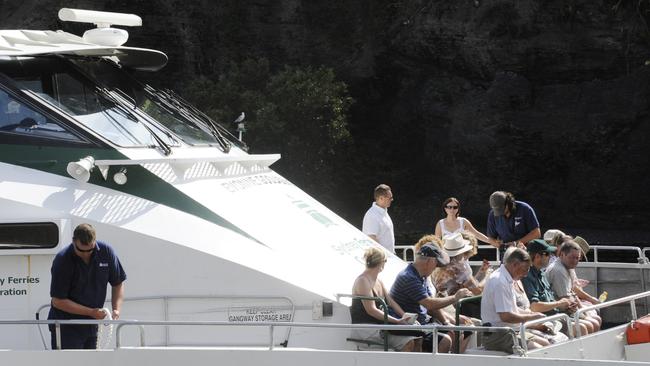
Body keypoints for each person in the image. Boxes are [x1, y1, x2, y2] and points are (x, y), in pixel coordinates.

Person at [47, 223, 127, 349]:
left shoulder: (106, 252)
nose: (86, 254)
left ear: (95, 241)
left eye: (90, 250)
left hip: (92, 325)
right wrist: (91, 312)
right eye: (81, 250)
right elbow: (57, 301)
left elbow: (118, 282)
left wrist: (116, 309)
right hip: (66, 327)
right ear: (73, 242)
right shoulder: (62, 260)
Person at [390, 239, 473, 353]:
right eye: (436, 264)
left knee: (456, 332)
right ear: (429, 261)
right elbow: (429, 304)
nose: (436, 268)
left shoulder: (421, 276)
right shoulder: (409, 277)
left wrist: (446, 322)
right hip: (408, 326)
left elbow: (432, 305)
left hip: (420, 323)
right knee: (446, 339)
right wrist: (455, 298)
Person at [350, 247, 421, 351]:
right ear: (381, 263)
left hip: (378, 326)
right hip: (366, 329)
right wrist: (397, 321)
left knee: (419, 336)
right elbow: (371, 310)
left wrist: (405, 317)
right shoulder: (363, 281)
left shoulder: (378, 280)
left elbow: (391, 302)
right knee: (409, 341)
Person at [480, 247, 548, 353]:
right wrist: (533, 317)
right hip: (498, 335)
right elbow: (506, 316)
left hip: (508, 331)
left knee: (546, 345)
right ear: (515, 265)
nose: (526, 274)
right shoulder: (499, 281)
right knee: (540, 351)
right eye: (525, 269)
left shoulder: (506, 278)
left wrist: (534, 315)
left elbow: (511, 309)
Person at [521, 239, 590, 336]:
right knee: (582, 328)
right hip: (546, 317)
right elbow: (534, 307)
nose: (551, 257)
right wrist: (559, 304)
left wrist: (566, 306)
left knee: (586, 325)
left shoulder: (541, 273)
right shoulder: (528, 277)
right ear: (537, 256)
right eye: (548, 254)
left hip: (555, 314)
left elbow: (551, 298)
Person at [546, 240, 601, 334]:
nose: (575, 261)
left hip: (568, 308)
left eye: (577, 258)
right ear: (562, 255)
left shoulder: (568, 267)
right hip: (559, 311)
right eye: (572, 257)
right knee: (590, 324)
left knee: (596, 319)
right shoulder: (558, 271)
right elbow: (566, 299)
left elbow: (573, 293)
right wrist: (583, 314)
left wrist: (584, 312)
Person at [362, 184, 395, 253]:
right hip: (380, 259)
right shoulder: (372, 215)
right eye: (390, 198)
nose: (392, 199)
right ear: (381, 198)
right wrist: (384, 256)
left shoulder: (383, 212)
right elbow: (372, 238)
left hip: (387, 257)